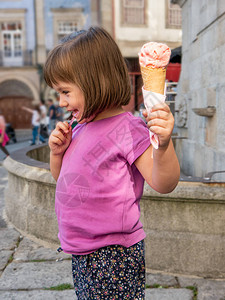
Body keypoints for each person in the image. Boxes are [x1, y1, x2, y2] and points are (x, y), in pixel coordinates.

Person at [44, 27, 180, 299]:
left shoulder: (128, 129)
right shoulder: (79, 128)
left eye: (65, 91)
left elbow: (163, 183)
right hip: (83, 251)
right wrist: (57, 154)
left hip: (113, 253)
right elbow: (65, 181)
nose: (61, 102)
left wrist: (164, 145)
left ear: (94, 81)